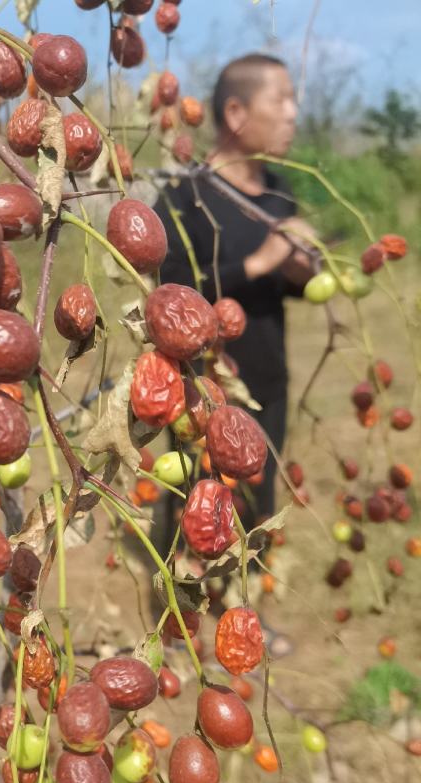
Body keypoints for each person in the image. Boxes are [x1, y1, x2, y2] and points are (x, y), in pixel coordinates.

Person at [154, 53, 317, 524]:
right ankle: (183, 592)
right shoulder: (186, 197)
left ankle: (242, 586)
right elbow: (171, 290)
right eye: (281, 99)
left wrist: (298, 275)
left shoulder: (277, 194)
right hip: (206, 393)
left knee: (256, 502)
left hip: (268, 382)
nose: (292, 113)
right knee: (197, 507)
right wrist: (260, 261)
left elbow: (280, 283)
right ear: (235, 114)